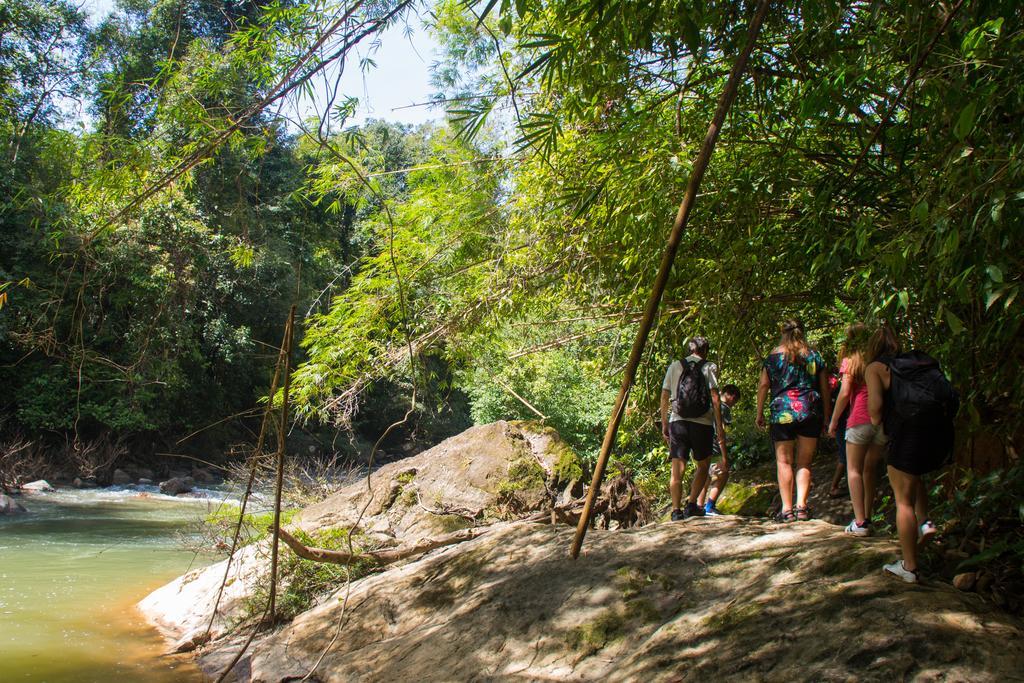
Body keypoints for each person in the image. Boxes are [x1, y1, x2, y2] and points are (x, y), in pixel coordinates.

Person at [866, 325, 956, 583]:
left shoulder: (875, 368)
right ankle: (925, 522)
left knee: (902, 497)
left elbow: (874, 412)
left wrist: (881, 430)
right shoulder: (914, 363)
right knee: (914, 475)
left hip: (909, 429)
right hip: (939, 427)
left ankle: (909, 567)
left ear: (874, 347)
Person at [755, 318, 831, 522]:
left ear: (782, 333)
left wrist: (760, 412)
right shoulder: (814, 356)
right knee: (804, 462)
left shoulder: (773, 357)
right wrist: (827, 415)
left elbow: (763, 385)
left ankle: (787, 510)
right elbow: (825, 388)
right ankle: (802, 507)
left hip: (782, 412)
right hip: (810, 410)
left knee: (784, 461)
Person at [661, 336, 728, 520]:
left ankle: (675, 511)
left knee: (677, 469)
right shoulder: (709, 367)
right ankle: (691, 504)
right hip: (703, 423)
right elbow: (715, 397)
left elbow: (665, 395)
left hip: (678, 422)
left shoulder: (675, 365)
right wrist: (719, 426)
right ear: (705, 350)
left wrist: (665, 423)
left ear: (690, 349)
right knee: (703, 465)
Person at [828, 323, 885, 536]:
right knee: (871, 470)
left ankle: (860, 522)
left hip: (859, 417)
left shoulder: (850, 361)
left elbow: (844, 393)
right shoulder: (877, 360)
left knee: (854, 470)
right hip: (880, 420)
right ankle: (868, 516)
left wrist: (833, 421)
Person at [698, 384, 740, 515]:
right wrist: (724, 456)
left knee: (704, 475)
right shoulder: (724, 408)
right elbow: (721, 432)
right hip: (714, 447)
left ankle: (698, 506)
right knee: (724, 474)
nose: (733, 404)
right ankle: (709, 506)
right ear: (731, 396)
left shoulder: (708, 404)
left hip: (700, 443)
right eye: (735, 401)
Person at [827, 366, 848, 498]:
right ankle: (833, 487)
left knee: (845, 457)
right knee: (844, 457)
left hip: (845, 424)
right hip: (841, 425)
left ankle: (835, 486)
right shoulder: (834, 391)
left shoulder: (838, 388)